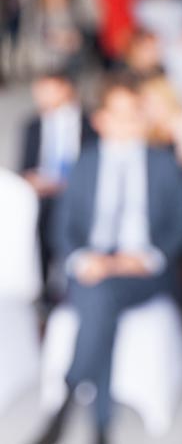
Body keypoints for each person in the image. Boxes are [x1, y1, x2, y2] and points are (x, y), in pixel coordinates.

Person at [30, 77, 182, 444]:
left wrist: (146, 258)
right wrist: (81, 260)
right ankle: (101, 426)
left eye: (133, 115)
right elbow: (63, 229)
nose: (126, 124)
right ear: (100, 119)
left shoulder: (165, 163)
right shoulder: (85, 164)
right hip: (92, 265)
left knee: (98, 298)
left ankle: (69, 397)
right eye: (117, 115)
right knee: (99, 298)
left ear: (144, 119)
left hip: (144, 268)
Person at [20, 71, 95, 303]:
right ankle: (41, 291)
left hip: (80, 193)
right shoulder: (33, 125)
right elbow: (25, 166)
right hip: (43, 195)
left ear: (66, 88)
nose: (40, 96)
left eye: (47, 89)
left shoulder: (90, 123)